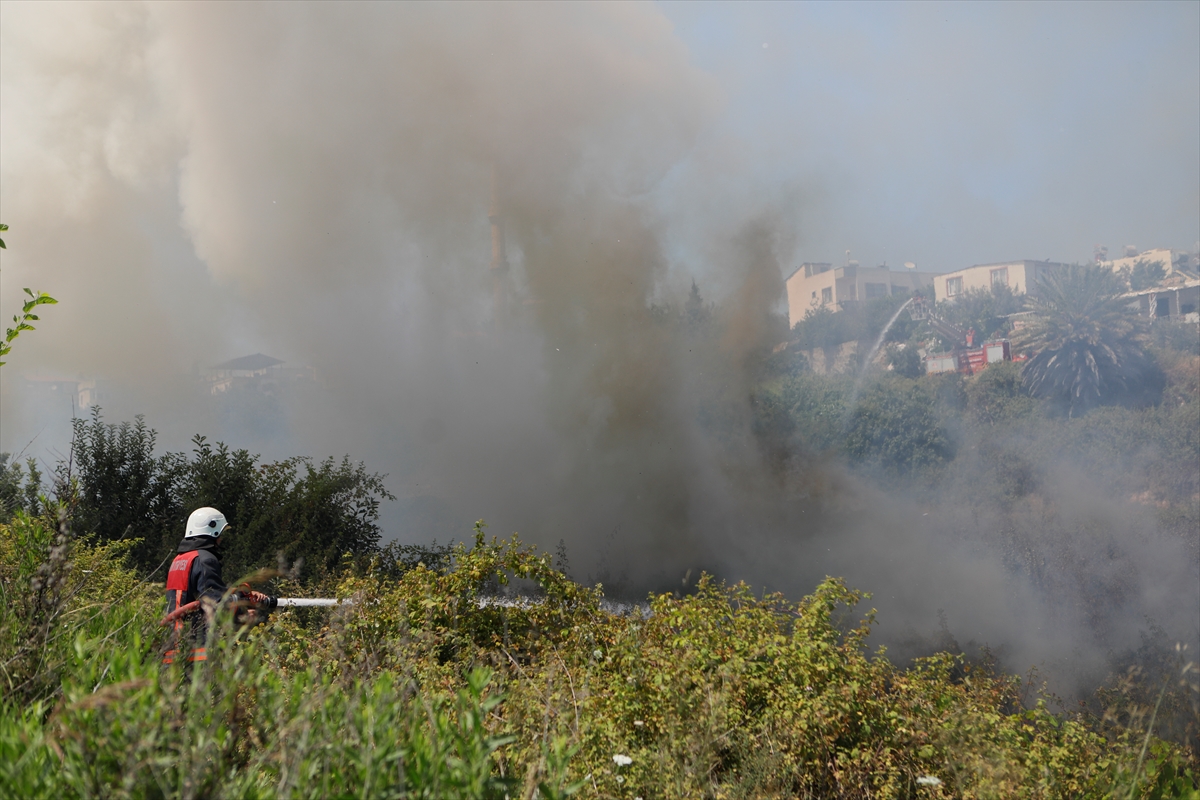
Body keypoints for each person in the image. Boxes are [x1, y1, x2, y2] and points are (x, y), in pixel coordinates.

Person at [162, 506, 277, 665]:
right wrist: (243, 614)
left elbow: (199, 596)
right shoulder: (205, 559)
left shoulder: (180, 560)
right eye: (220, 535)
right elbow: (215, 603)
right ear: (212, 531)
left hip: (172, 648)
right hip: (197, 651)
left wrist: (241, 595)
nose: (221, 539)